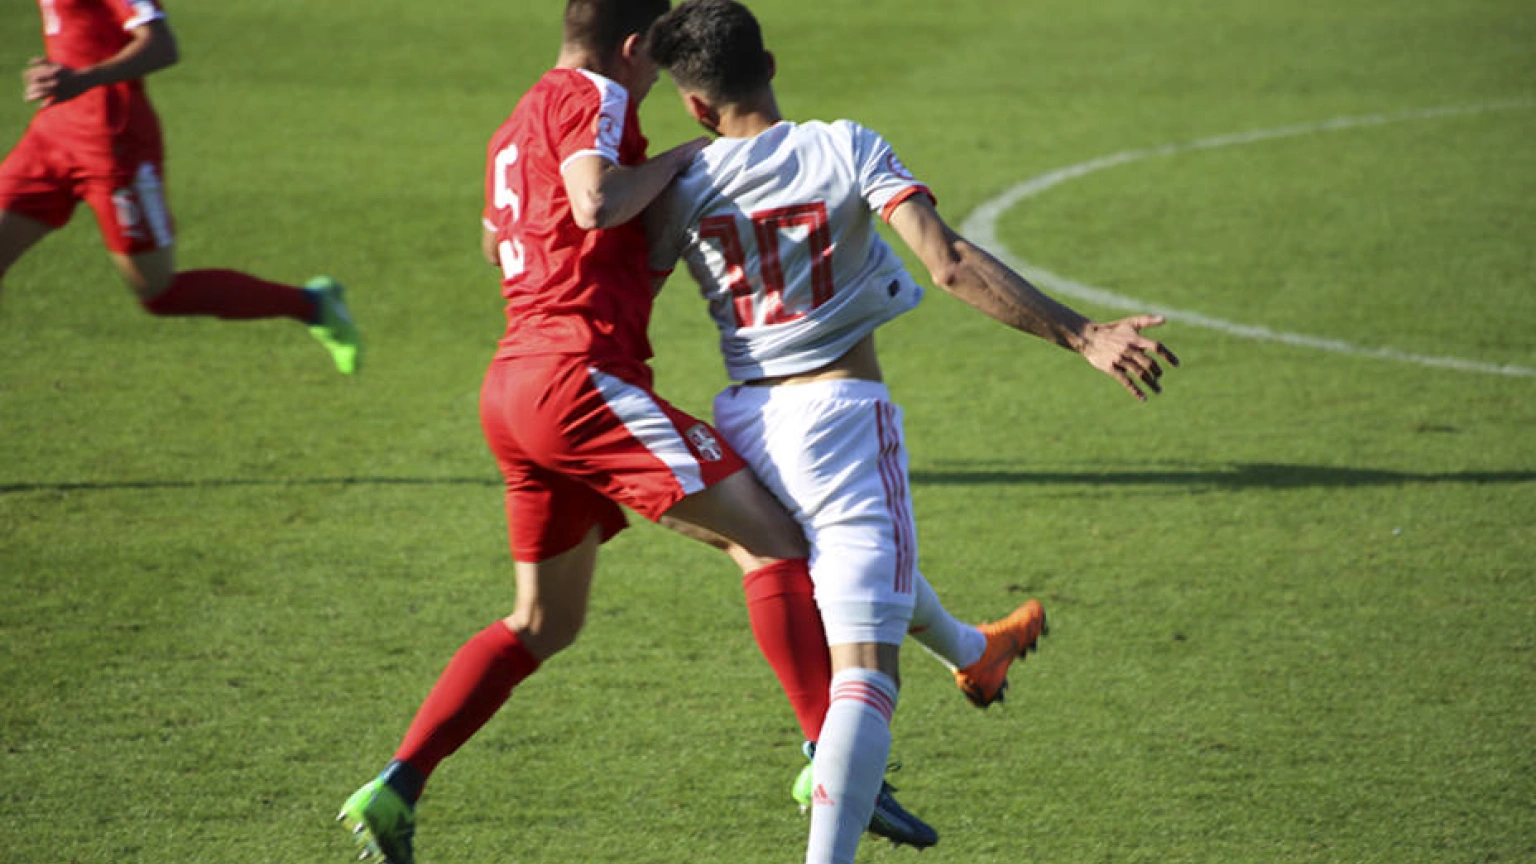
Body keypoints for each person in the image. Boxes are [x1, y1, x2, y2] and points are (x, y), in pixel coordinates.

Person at [335, 2, 927, 861]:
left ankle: (396, 784)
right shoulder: (597, 96)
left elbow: (498, 240)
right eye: (655, 58)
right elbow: (594, 202)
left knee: (543, 621)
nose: (661, 78)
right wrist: (685, 158)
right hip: (579, 378)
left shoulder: (514, 124)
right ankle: (823, 760)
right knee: (774, 544)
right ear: (629, 47)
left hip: (511, 386)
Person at [644, 2, 1180, 861]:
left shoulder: (680, 187)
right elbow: (950, 264)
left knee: (855, 569)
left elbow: (623, 289)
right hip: (842, 423)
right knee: (864, 674)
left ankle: (975, 651)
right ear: (770, 65)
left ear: (696, 106)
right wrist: (1083, 334)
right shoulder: (845, 146)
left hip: (744, 425)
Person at [1, 0, 361, 374]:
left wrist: (82, 79)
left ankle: (313, 306)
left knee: (159, 293)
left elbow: (161, 44)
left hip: (114, 146)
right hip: (52, 134)